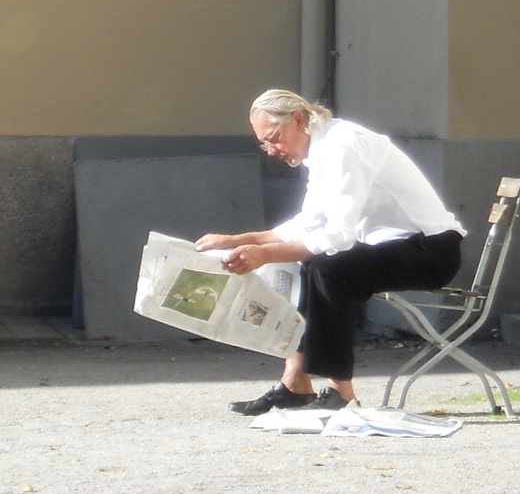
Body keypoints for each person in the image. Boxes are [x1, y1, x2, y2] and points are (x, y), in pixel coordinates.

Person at [197, 90, 465, 415]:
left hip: (431, 251)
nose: (271, 151)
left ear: (298, 120)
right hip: (397, 246)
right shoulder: (321, 149)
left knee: (330, 269)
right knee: (314, 264)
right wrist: (238, 240)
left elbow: (338, 235)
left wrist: (264, 255)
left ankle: (341, 392)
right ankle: (296, 382)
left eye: (274, 138)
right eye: (264, 144)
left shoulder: (342, 145)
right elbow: (308, 224)